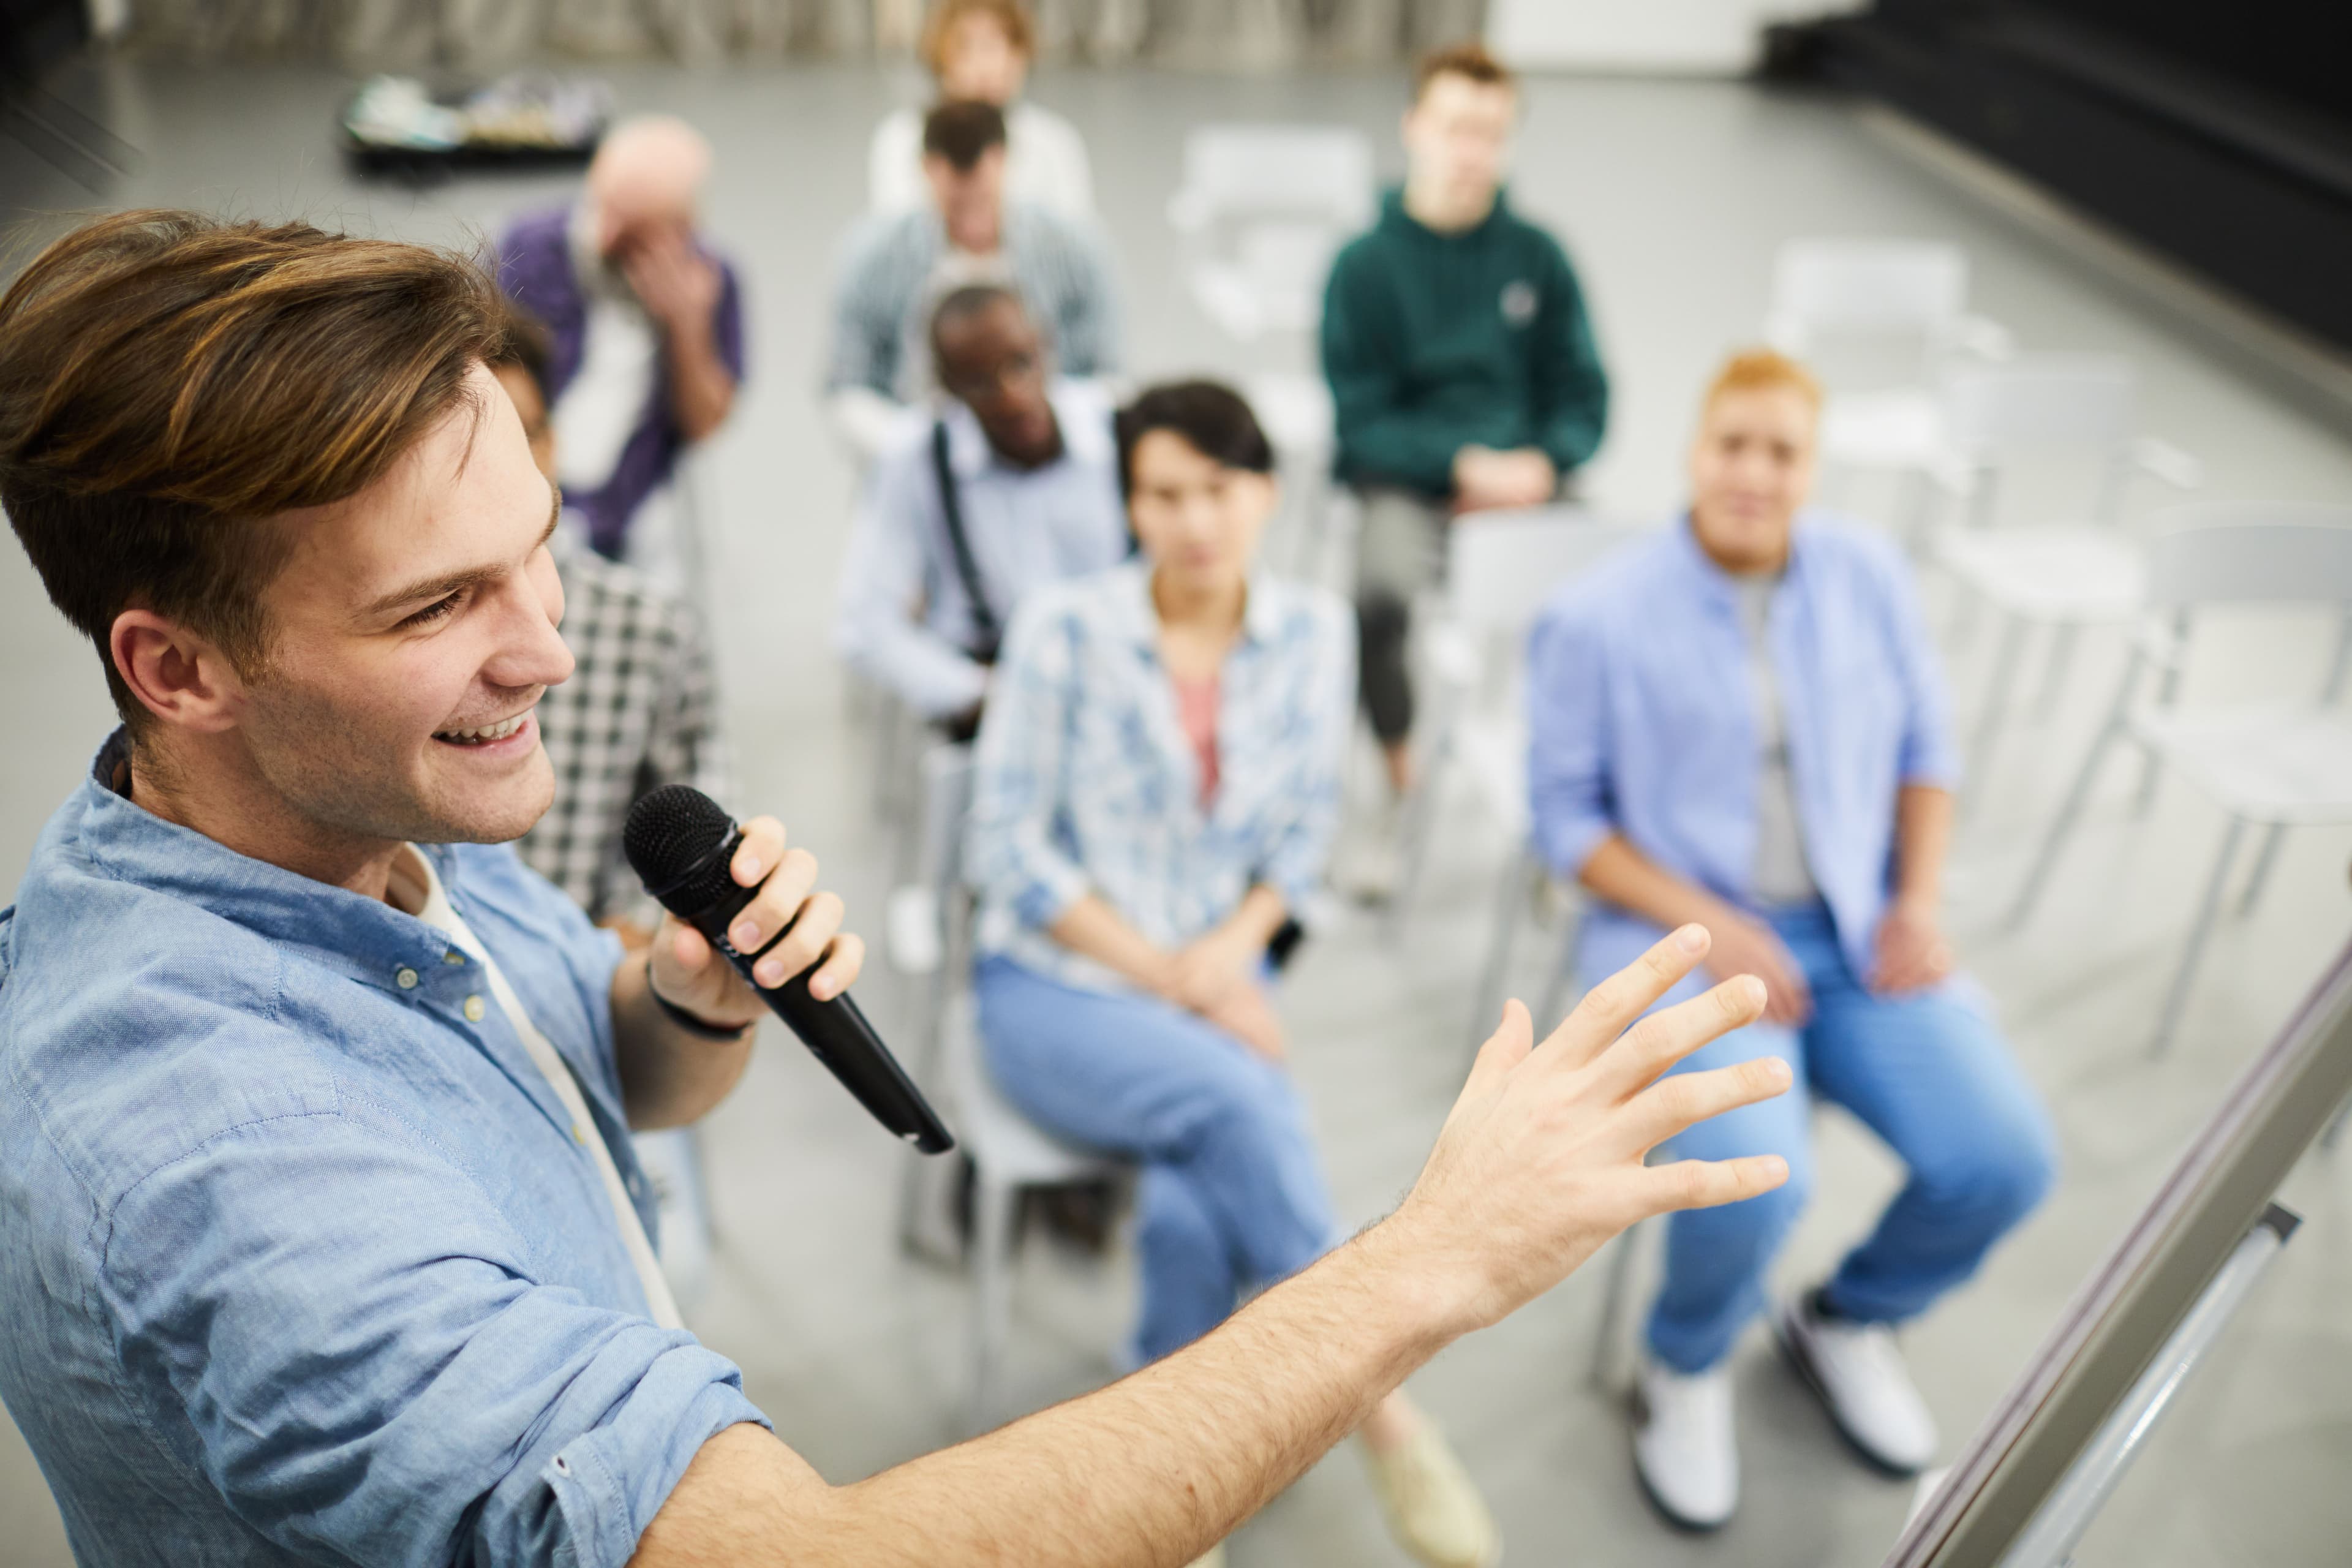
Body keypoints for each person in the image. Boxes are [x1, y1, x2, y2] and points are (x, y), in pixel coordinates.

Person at [0, 211, 1791, 1568]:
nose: (550, 645)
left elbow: (610, 1074)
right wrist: (1426, 1259)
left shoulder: (354, 826)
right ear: (178, 669)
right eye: (436, 606)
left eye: (539, 545)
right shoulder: (202, 1155)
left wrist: (690, 998)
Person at [965, 380, 1496, 1567]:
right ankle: (1386, 1403)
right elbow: (1006, 851)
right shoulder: (1066, 626)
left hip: (1208, 991)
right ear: (1131, 502)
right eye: (1164, 493)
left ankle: (1161, 1481)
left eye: (1219, 488)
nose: (1195, 519)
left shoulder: (1313, 633)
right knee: (1244, 1099)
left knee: (1200, 1194)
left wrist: (1227, 958)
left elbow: (1298, 845)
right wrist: (1178, 978)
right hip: (1053, 986)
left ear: (1265, 491)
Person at [1525, 350, 2057, 1532]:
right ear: (1693, 452)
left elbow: (1928, 750)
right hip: (1681, 938)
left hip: (1858, 931)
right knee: (1760, 1182)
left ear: (1811, 468)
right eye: (1733, 445)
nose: (1754, 474)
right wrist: (1712, 921)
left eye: (1781, 452)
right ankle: (1687, 1358)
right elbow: (1565, 821)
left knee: (2004, 1156)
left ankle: (1846, 1318)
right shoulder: (1598, 614)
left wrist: (1917, 900)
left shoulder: (1866, 575)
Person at [1321, 40, 1609, 820]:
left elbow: (1583, 394)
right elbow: (1359, 421)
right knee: (1377, 597)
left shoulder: (1539, 259)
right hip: (1409, 485)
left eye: (1490, 132)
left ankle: (1564, 803)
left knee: (1603, 613)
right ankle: (1396, 775)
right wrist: (1461, 464)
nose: (1471, 151)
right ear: (1416, 127)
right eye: (1456, 128)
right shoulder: (1364, 266)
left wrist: (1544, 466)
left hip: (1528, 485)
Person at [488, 304, 731, 934]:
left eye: (525, 437)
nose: (507, 472)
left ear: (554, 443)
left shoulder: (654, 629)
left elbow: (707, 831)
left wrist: (644, 939)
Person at [834, 284, 1127, 734]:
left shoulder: (1119, 431)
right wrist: (976, 693)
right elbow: (865, 625)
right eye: (980, 382)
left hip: (1123, 690)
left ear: (1045, 345)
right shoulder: (917, 457)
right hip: (989, 704)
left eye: (1021, 364)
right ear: (947, 388)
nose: (1011, 395)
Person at [497, 115, 745, 571]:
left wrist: (686, 328)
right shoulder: (530, 250)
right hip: (526, 482)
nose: (607, 235)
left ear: (682, 231)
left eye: (633, 230)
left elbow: (705, 424)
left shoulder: (710, 282)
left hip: (632, 505)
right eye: (603, 210)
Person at [828, 98, 1118, 459]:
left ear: (1004, 161)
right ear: (927, 169)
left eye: (981, 199)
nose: (970, 216)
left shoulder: (1074, 249)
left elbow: (1108, 373)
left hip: (1046, 455)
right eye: (956, 202)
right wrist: (920, 453)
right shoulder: (872, 257)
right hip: (920, 453)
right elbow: (848, 384)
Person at [869, 0, 1093, 219]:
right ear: (941, 56)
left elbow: (1076, 240)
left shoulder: (1056, 143)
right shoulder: (901, 139)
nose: (990, 64)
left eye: (1004, 45)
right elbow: (896, 235)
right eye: (969, 47)